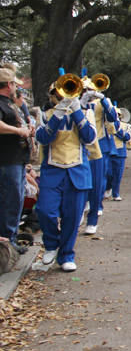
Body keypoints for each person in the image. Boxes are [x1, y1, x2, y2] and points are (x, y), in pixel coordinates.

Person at [36, 72, 97, 271]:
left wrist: (77, 109)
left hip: (77, 171)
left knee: (72, 217)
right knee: (45, 210)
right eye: (60, 93)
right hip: (52, 171)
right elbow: (43, 138)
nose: (64, 97)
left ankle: (66, 255)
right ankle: (51, 244)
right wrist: (59, 113)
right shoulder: (45, 115)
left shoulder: (86, 114)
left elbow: (89, 138)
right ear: (54, 95)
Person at [80, 70, 118, 235]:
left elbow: (112, 119)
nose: (86, 93)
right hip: (79, 147)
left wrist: (103, 100)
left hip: (100, 145)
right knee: (78, 183)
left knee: (97, 183)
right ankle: (80, 210)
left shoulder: (102, 102)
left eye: (89, 90)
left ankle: (93, 219)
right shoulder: (74, 102)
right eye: (83, 90)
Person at [0, 67, 31, 255]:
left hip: (17, 160)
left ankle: (10, 239)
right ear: (9, 84)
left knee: (16, 201)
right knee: (8, 201)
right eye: (14, 84)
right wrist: (19, 131)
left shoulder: (9, 103)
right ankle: (6, 240)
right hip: (7, 161)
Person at [105, 106, 131, 201]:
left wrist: (118, 131)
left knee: (117, 174)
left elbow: (128, 138)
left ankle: (115, 193)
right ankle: (107, 187)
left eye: (118, 115)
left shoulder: (126, 126)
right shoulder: (104, 124)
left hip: (120, 152)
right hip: (108, 151)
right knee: (107, 174)